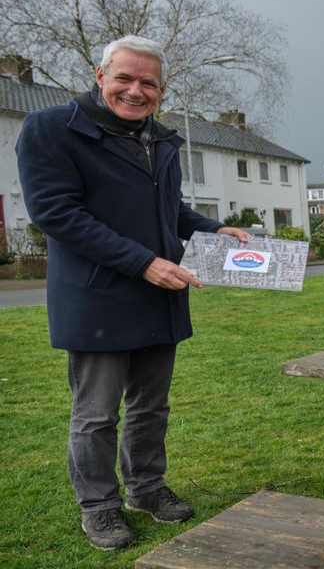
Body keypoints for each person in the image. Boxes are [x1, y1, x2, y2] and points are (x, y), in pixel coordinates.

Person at [16, 35, 250, 551]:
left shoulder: (162, 139)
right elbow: (57, 214)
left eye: (148, 82)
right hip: (98, 295)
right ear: (101, 76)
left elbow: (169, 209)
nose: (135, 90)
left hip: (158, 292)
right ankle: (99, 507)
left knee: (151, 406)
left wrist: (213, 229)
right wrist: (143, 262)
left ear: (161, 90)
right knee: (96, 413)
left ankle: (146, 489)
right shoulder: (50, 129)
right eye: (124, 78)